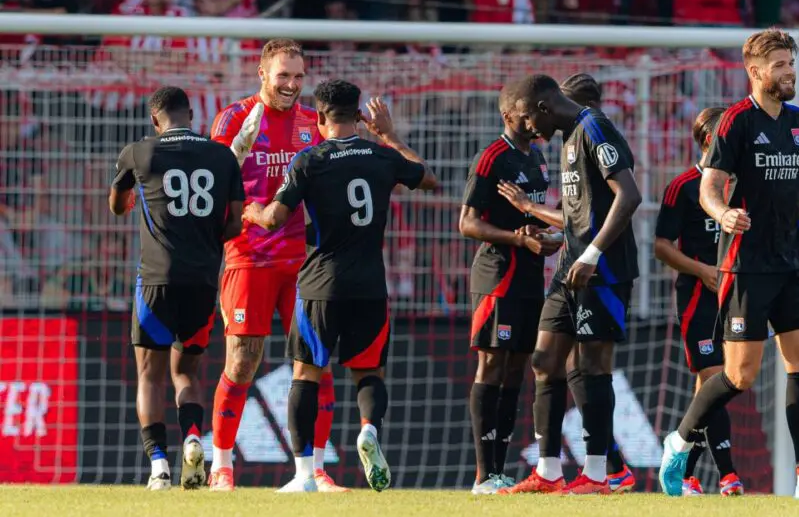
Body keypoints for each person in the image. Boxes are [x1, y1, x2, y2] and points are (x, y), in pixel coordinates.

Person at [657, 28, 799, 499]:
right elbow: (708, 187)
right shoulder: (734, 123)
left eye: (791, 64)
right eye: (780, 65)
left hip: (794, 262)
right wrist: (723, 212)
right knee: (740, 375)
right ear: (755, 72)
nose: (789, 72)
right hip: (746, 264)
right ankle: (678, 441)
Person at [244, 80, 438, 492]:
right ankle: (369, 428)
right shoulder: (382, 157)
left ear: (318, 118)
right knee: (369, 373)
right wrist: (388, 135)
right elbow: (429, 179)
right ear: (359, 116)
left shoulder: (309, 160)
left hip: (320, 285)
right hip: (370, 285)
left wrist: (250, 210)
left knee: (306, 374)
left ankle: (302, 475)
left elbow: (276, 219)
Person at [207, 39, 344, 492]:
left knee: (316, 364)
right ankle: (222, 466)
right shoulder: (234, 119)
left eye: (299, 76)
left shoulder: (312, 123)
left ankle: (316, 470)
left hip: (302, 263)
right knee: (243, 361)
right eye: (283, 75)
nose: (292, 85)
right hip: (248, 258)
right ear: (262, 73)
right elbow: (215, 189)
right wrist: (251, 213)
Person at [501, 74, 641, 495]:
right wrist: (549, 226)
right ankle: (547, 471)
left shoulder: (594, 126)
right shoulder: (567, 140)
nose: (527, 130)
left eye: (527, 120)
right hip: (571, 267)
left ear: (543, 108)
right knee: (545, 359)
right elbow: (581, 215)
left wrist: (592, 252)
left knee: (592, 366)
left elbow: (629, 195)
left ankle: (600, 474)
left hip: (604, 269)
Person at [108, 87, 244, 491]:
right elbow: (235, 224)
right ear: (190, 114)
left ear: (155, 119)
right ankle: (192, 438)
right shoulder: (222, 156)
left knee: (149, 377)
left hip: (154, 280)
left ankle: (159, 468)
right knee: (185, 373)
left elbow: (116, 206)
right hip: (203, 281)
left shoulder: (139, 152)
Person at [458, 82, 561, 494]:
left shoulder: (537, 156)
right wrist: (518, 238)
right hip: (497, 277)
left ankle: (500, 470)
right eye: (525, 116)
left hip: (530, 277)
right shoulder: (492, 158)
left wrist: (545, 237)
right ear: (508, 117)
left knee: (519, 369)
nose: (533, 122)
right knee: (492, 366)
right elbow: (467, 223)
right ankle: (484, 474)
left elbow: (536, 218)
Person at [653, 107, 744, 497]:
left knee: (711, 388)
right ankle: (727, 474)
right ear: (711, 140)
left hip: (736, 296)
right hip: (697, 297)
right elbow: (660, 247)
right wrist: (701, 270)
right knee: (711, 377)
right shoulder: (684, 187)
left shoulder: (742, 184)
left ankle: (685, 471)